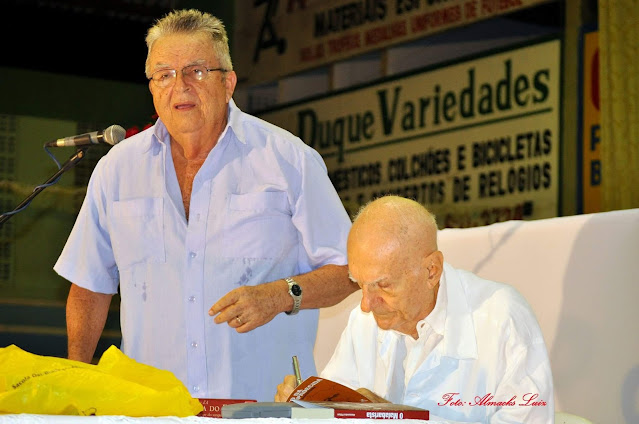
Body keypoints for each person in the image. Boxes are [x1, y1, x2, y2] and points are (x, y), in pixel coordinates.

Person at [54, 9, 358, 401]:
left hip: (263, 407)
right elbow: (89, 286)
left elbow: (350, 272)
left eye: (196, 71)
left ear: (228, 83)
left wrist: (281, 295)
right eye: (164, 74)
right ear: (152, 88)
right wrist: (75, 384)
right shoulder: (117, 170)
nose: (179, 86)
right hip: (152, 409)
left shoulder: (288, 160)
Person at [275, 195, 554, 423]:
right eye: (360, 284)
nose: (366, 304)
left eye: (383, 285)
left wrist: (395, 417)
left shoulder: (502, 318)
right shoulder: (362, 322)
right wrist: (303, 408)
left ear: (431, 270)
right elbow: (333, 409)